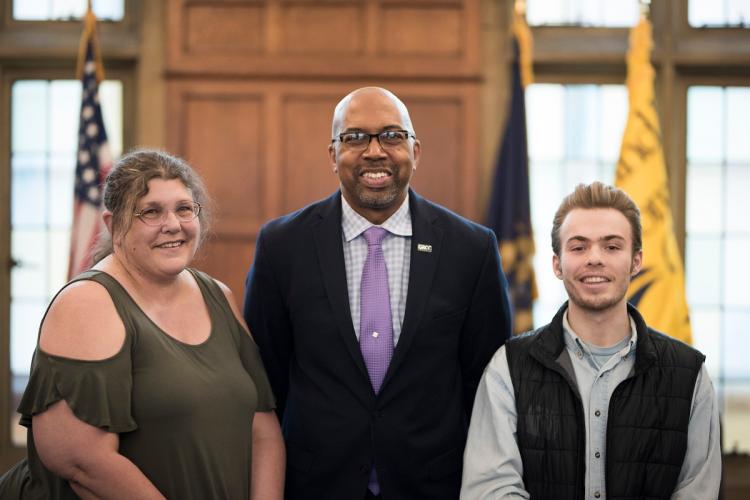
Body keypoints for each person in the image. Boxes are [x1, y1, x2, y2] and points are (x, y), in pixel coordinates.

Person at [243, 87, 512, 500]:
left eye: (391, 135)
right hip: (315, 485)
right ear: (332, 155)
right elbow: (266, 381)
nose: (374, 151)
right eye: (354, 138)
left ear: (415, 151)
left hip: (433, 486)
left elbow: (486, 386)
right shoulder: (283, 246)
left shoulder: (470, 249)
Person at [0, 150, 284, 499]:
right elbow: (83, 463)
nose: (173, 224)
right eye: (151, 211)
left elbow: (264, 427)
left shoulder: (219, 296)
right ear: (113, 224)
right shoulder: (87, 303)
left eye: (184, 208)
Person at [460, 181, 721, 500]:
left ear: (636, 261)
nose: (594, 258)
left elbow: (698, 492)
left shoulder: (690, 375)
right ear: (557, 264)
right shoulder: (508, 368)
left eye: (612, 246)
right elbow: (490, 490)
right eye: (578, 247)